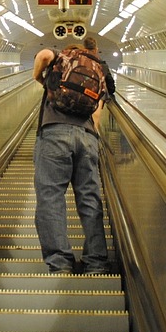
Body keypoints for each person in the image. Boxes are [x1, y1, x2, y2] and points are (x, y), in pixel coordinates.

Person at [31, 43, 109, 275]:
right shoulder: (98, 71)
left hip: (54, 133)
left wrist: (38, 78)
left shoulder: (59, 58)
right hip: (87, 137)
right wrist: (92, 138)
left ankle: (60, 262)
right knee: (90, 199)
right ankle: (96, 262)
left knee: (51, 197)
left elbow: (43, 54)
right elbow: (97, 112)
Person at [83, 35, 116, 131]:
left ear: (84, 48)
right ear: (96, 49)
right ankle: (94, 131)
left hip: (80, 94)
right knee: (101, 91)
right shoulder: (101, 64)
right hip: (95, 97)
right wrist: (111, 91)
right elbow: (110, 83)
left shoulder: (78, 60)